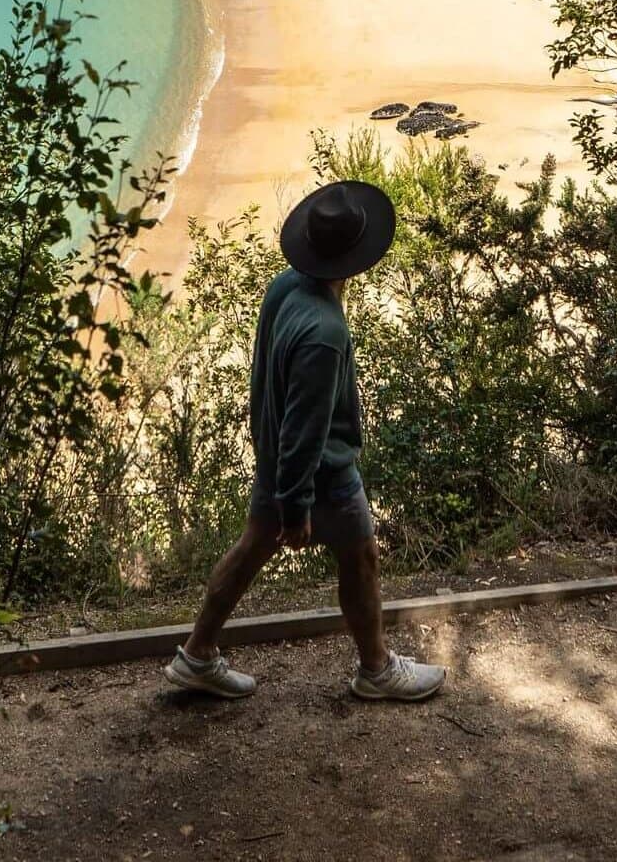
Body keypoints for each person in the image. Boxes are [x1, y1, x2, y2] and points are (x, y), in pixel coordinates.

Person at [162, 180, 448, 703]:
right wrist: (297, 506)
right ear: (356, 258)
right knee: (360, 555)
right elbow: (306, 425)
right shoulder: (325, 332)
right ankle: (376, 669)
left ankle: (197, 655)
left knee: (249, 551)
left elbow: (273, 388)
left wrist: (278, 478)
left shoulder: (284, 286)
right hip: (320, 474)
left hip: (277, 461)